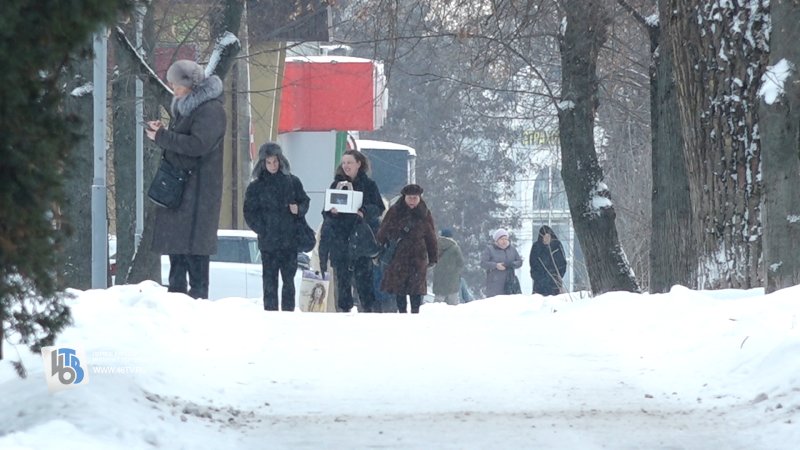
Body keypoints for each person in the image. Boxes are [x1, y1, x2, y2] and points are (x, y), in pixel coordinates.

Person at [145, 59, 226, 299]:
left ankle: (195, 302)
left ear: (190, 84)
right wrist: (163, 133)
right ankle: (177, 297)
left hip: (197, 191)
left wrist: (163, 137)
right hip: (183, 190)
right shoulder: (187, 107)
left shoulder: (210, 110)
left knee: (194, 251)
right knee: (177, 249)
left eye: (176, 84)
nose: (173, 89)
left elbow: (198, 144)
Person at [243, 142, 310, 311]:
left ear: (281, 161)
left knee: (289, 281)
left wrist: (298, 209)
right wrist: (263, 229)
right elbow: (249, 212)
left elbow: (305, 201)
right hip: (269, 244)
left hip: (289, 242)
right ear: (263, 164)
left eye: (275, 161)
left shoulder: (293, 182)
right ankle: (270, 314)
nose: (273, 165)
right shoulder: (256, 187)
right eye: (268, 162)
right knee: (269, 282)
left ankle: (288, 314)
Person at [318, 150, 385, 312]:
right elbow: (325, 212)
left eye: (350, 162)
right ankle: (344, 314)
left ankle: (368, 314)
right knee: (342, 284)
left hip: (361, 241)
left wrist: (364, 211)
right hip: (340, 241)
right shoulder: (336, 185)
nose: (346, 166)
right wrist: (332, 212)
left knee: (364, 284)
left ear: (359, 164)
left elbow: (379, 208)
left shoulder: (369, 185)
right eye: (344, 163)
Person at [376, 184, 438, 314]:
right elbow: (383, 230)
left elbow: (431, 236)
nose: (412, 201)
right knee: (399, 288)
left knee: (416, 289)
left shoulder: (425, 213)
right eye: (410, 198)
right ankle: (402, 312)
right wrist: (379, 248)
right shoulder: (395, 211)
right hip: (399, 256)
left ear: (420, 198)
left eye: (415, 198)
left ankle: (415, 312)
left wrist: (433, 257)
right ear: (404, 197)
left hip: (418, 257)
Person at [479, 228, 523, 298]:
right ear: (497, 240)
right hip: (494, 284)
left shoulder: (512, 249)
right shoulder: (490, 249)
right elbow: (483, 263)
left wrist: (512, 264)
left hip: (509, 283)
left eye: (506, 239)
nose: (504, 241)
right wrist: (496, 265)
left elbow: (519, 262)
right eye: (502, 239)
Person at [530, 225, 567, 296]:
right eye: (544, 237)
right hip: (539, 284)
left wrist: (558, 276)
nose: (546, 239)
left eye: (548, 236)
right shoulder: (536, 247)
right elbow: (533, 264)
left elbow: (562, 263)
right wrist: (539, 278)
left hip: (554, 282)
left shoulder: (557, 246)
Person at [432, 228, 464, 305]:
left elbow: (431, 260)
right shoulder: (455, 247)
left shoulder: (435, 246)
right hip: (452, 279)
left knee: (438, 303)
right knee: (453, 304)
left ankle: (434, 315)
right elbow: (461, 263)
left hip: (439, 278)